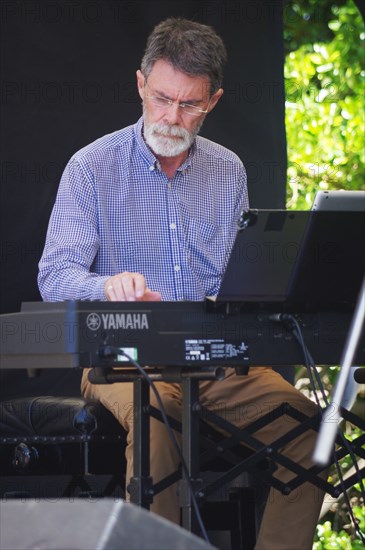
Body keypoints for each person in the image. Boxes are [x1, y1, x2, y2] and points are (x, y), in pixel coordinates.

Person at [38, 18, 325, 550]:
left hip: (219, 362)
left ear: (212, 101)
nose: (172, 117)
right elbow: (54, 276)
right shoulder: (91, 167)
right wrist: (107, 285)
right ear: (141, 84)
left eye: (189, 105)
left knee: (309, 432)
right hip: (121, 358)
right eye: (163, 98)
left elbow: (233, 279)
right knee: (156, 421)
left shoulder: (228, 170)